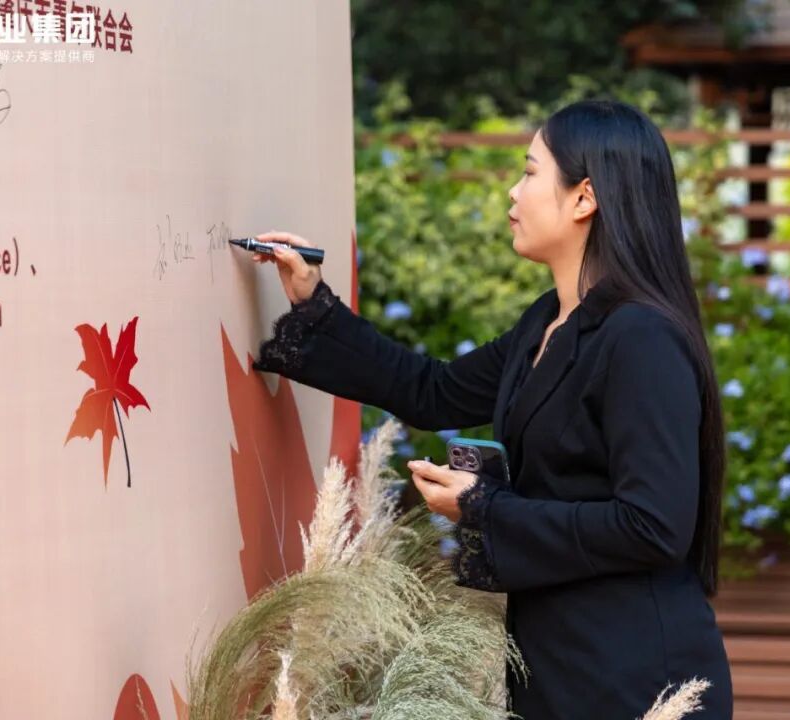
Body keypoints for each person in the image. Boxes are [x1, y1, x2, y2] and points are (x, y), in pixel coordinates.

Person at [249, 99, 733, 719]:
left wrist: (483, 506)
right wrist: (313, 302)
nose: (513, 191)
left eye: (529, 173)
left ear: (584, 198)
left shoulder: (641, 338)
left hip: (636, 675)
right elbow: (433, 390)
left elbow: (654, 526)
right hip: (559, 661)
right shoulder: (546, 323)